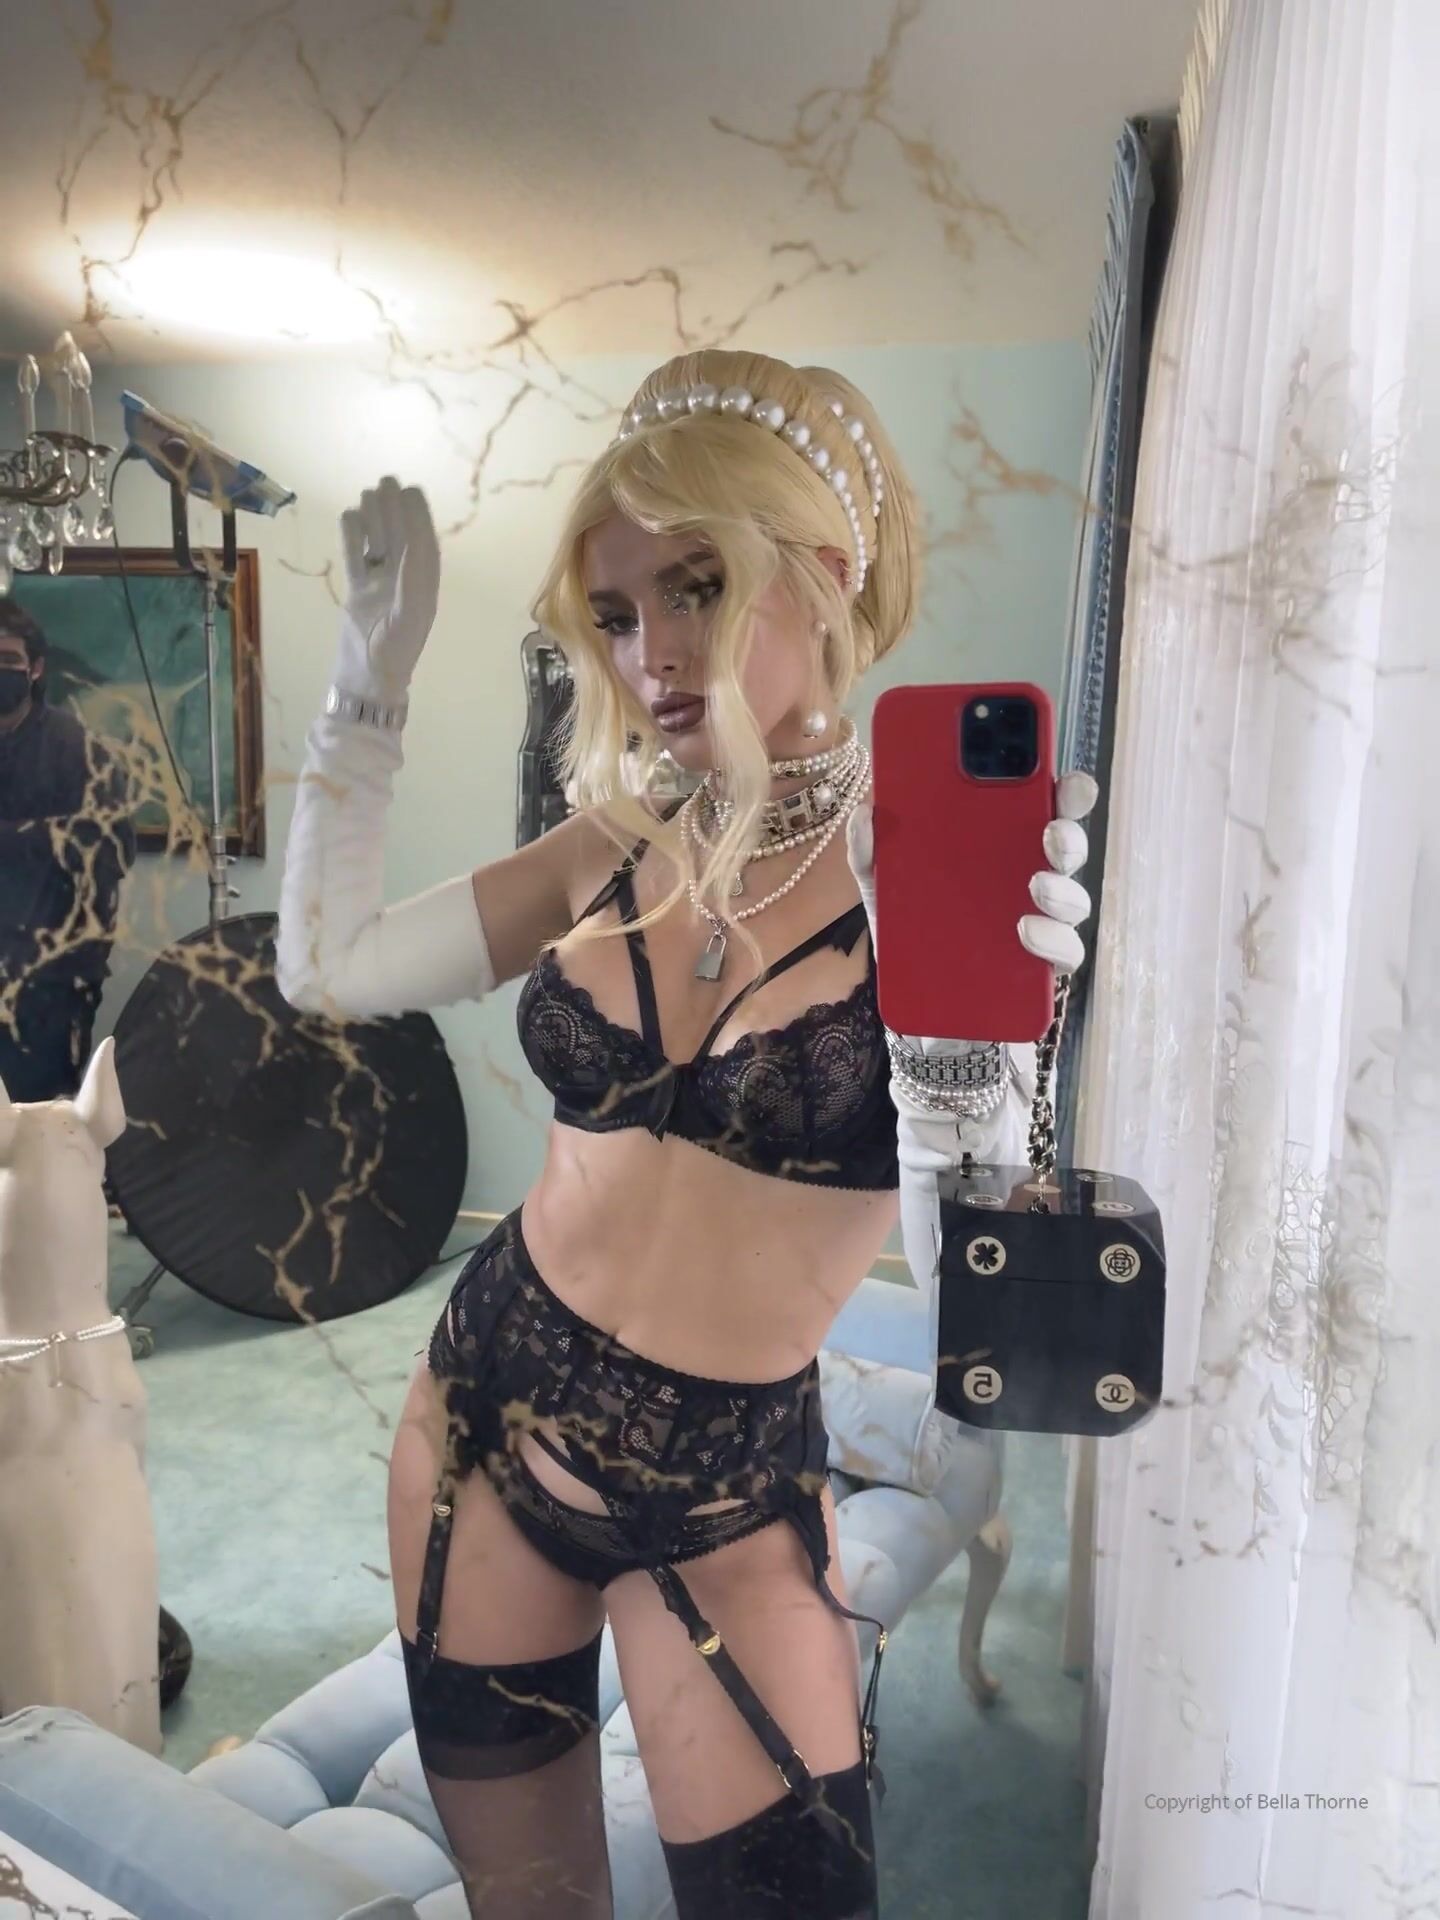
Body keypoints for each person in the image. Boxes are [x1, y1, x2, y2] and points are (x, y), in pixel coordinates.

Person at [275, 349, 1097, 1919]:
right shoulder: (615, 838)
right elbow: (332, 966)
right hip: (483, 1412)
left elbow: (970, 1305)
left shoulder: (932, 879)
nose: (650, 651)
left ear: (827, 575)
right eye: (614, 611)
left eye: (698, 587)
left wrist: (973, 1064)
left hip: (729, 1485)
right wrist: (366, 681)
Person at [0, 597, 136, 1104]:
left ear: (35, 668)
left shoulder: (79, 750)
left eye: (8, 660)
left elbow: (111, 852)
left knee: (41, 1128)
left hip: (49, 991)